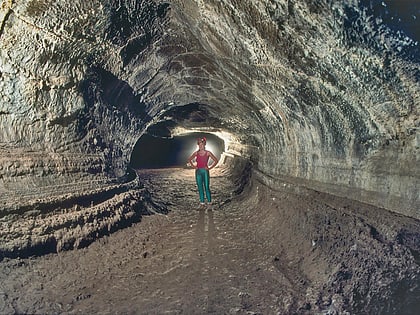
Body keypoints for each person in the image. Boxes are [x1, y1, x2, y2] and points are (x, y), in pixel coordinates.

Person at [187, 137, 219, 206]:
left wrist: (210, 168)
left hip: (205, 171)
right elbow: (189, 159)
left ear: (204, 145)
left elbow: (216, 160)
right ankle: (202, 203)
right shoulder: (196, 153)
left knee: (207, 187)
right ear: (198, 145)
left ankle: (209, 203)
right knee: (200, 187)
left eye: (202, 144)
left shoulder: (208, 153)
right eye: (199, 145)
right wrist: (194, 166)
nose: (201, 146)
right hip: (198, 171)